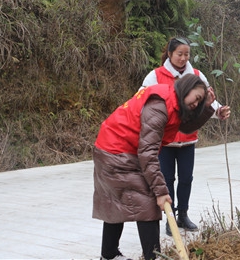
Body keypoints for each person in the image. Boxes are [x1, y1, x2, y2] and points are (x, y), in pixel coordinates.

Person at [93, 74, 216, 260]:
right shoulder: (160, 106)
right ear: (186, 88)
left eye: (200, 101)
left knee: (116, 201)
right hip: (116, 151)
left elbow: (185, 128)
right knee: (149, 203)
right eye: (197, 98)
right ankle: (153, 256)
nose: (196, 103)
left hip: (119, 148)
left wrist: (205, 108)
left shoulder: (174, 103)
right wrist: (160, 191)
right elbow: (148, 153)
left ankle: (109, 255)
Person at [141, 37, 231, 235]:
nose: (183, 58)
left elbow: (207, 100)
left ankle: (183, 214)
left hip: (188, 140)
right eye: (179, 54)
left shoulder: (197, 75)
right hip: (165, 141)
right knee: (166, 179)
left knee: (186, 179)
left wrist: (218, 111)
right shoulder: (156, 75)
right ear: (170, 54)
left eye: (186, 54)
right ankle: (170, 218)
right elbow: (142, 98)